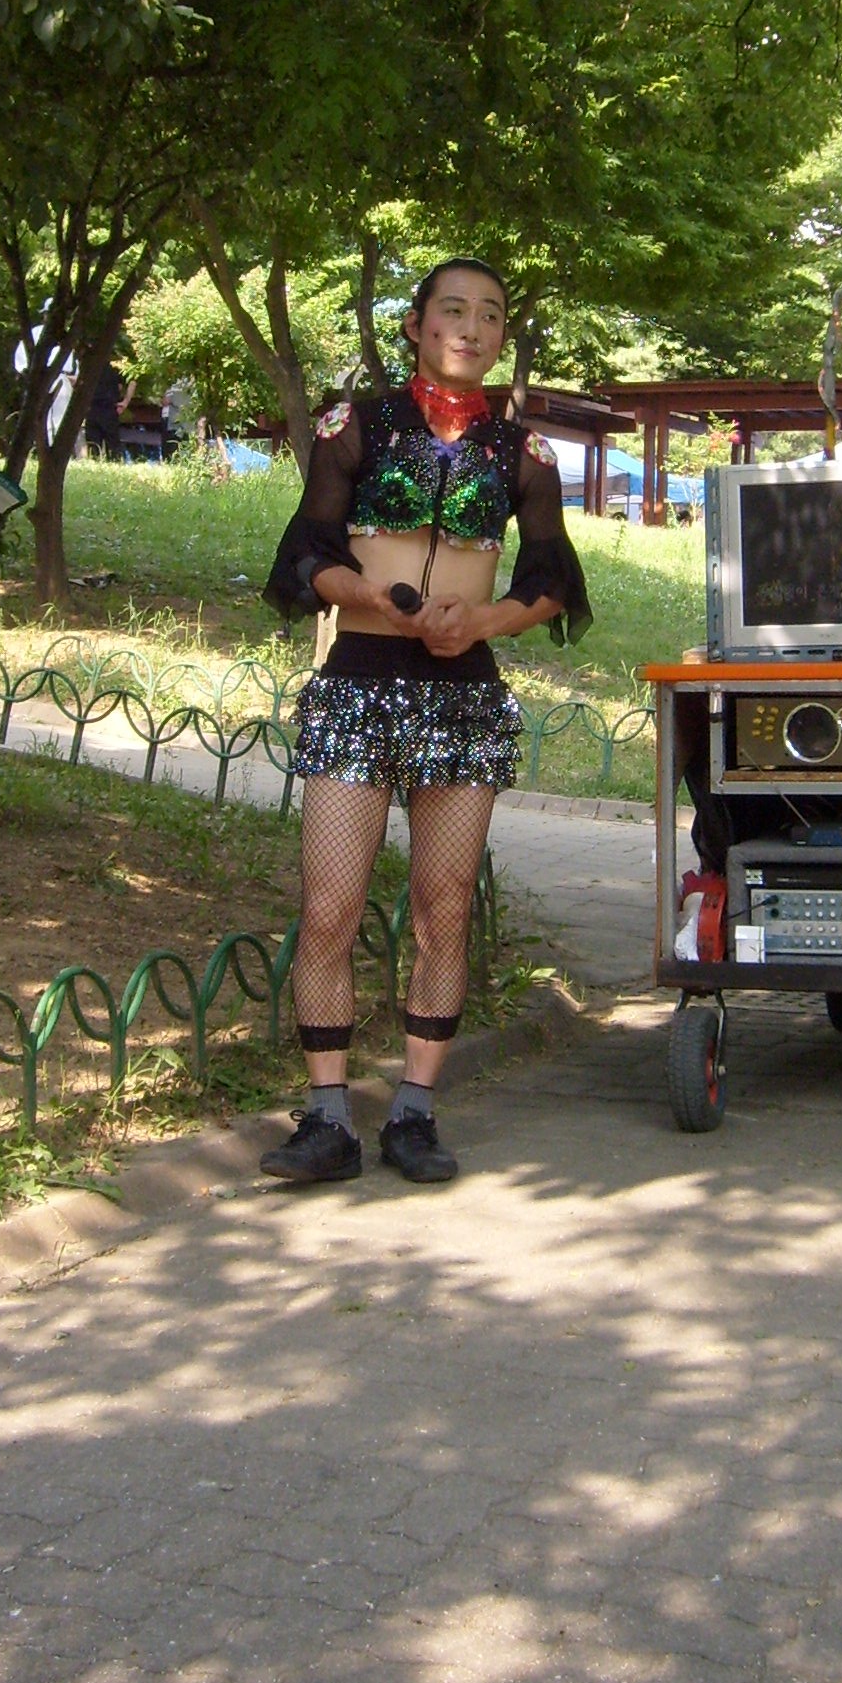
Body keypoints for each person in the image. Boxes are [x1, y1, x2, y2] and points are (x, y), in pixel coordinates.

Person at [262, 259, 589, 1188]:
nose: (471, 329)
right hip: (360, 682)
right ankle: (327, 1118)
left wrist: (483, 621)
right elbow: (308, 552)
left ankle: (415, 1109)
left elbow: (552, 578)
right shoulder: (355, 425)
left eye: (490, 316)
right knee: (329, 907)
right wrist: (375, 599)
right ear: (415, 325)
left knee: (444, 909)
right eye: (453, 310)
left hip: (464, 695)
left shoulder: (526, 455)